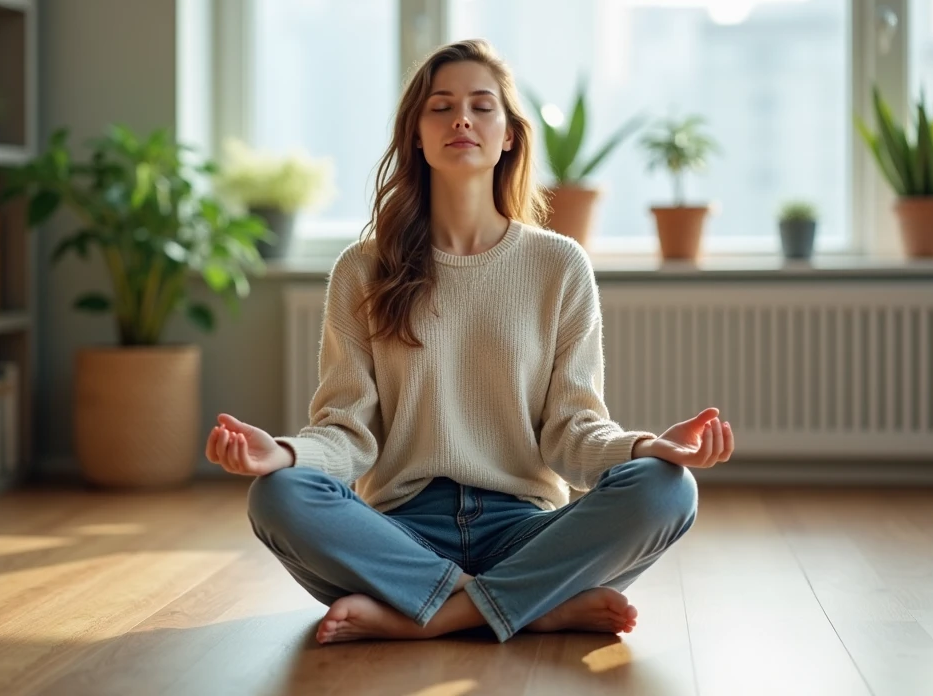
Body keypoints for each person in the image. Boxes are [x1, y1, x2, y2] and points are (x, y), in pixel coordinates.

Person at [206, 38, 734, 645]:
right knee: (277, 495)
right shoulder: (362, 269)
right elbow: (347, 432)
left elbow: (573, 431)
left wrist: (645, 447)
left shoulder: (559, 265)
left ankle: (436, 614)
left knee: (668, 488)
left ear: (509, 136)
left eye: (482, 106)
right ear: (417, 135)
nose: (462, 119)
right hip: (402, 535)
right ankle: (532, 606)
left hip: (525, 531)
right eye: (441, 107)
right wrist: (284, 455)